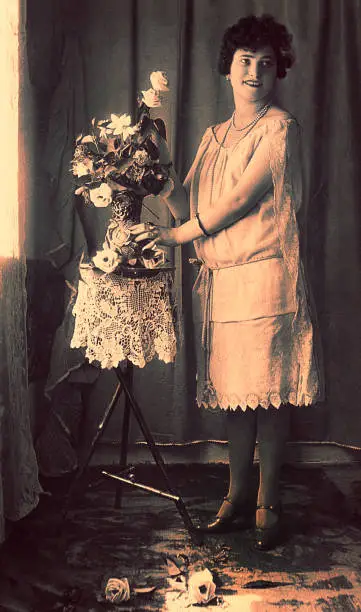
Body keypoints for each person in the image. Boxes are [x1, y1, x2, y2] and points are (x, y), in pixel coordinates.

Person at [130, 14, 323, 550]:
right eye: (245, 62)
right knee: (237, 399)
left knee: (269, 399)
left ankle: (269, 502)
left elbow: (238, 202)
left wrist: (177, 238)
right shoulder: (214, 138)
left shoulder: (279, 130)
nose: (254, 73)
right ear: (228, 69)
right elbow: (188, 202)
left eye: (266, 64)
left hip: (266, 280)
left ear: (278, 71)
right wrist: (160, 168)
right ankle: (236, 497)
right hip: (224, 285)